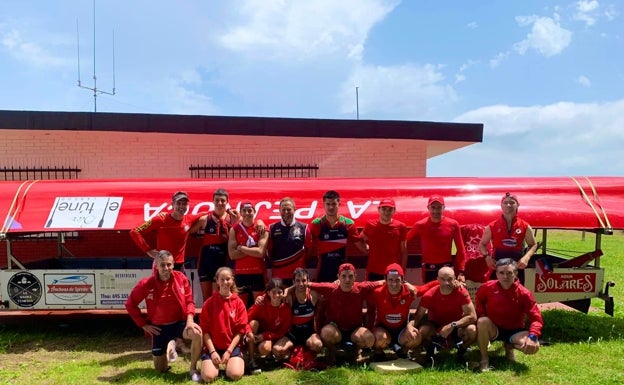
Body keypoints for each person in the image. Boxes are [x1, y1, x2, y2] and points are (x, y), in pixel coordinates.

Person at [124, 250, 203, 382]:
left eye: (169, 265)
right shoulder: (146, 284)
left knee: (197, 334)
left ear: (173, 265)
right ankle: (170, 346)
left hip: (178, 324)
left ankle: (193, 368)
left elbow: (189, 301)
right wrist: (143, 324)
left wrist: (190, 320)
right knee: (160, 370)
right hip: (159, 328)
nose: (166, 268)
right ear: (156, 266)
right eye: (162, 265)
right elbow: (130, 304)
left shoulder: (181, 278)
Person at [475, 258, 543, 372]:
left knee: (534, 347)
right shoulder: (487, 287)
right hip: (494, 328)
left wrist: (532, 337)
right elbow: (478, 299)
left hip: (515, 331)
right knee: (482, 322)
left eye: (509, 273)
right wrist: (482, 313)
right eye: (501, 273)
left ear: (516, 274)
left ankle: (509, 346)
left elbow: (537, 319)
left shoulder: (524, 293)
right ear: (496, 274)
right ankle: (484, 359)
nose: (505, 276)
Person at [308, 263, 380, 365]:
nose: (347, 279)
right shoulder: (331, 288)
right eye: (344, 276)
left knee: (369, 339)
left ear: (355, 277)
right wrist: (289, 290)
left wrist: (406, 284)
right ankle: (332, 353)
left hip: (355, 330)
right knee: (326, 333)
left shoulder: (361, 288)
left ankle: (355, 352)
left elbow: (380, 282)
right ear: (338, 277)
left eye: (350, 276)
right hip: (335, 329)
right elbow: (308, 284)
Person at [367, 263, 437, 360]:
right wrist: (338, 284)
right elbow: (359, 289)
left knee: (415, 337)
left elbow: (427, 287)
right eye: (390, 280)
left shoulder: (410, 292)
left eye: (397, 280)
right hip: (383, 329)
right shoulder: (377, 292)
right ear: (385, 279)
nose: (394, 284)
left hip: (402, 330)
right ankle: (379, 353)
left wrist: (448, 280)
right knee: (379, 337)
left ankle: (403, 352)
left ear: (403, 280)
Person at [412, 266, 477, 360]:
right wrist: (410, 328)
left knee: (472, 330)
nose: (446, 283)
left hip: (456, 326)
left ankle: (462, 350)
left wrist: (453, 325)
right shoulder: (429, 294)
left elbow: (473, 316)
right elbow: (418, 316)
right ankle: (431, 349)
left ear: (455, 279)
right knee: (423, 330)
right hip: (436, 327)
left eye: (450, 279)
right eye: (443, 279)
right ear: (437, 279)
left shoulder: (461, 291)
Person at [190, 188, 241, 301]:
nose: (219, 203)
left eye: (222, 200)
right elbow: (189, 231)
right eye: (217, 200)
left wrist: (259, 222)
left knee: (218, 298)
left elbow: (249, 223)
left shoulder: (232, 218)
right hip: (205, 263)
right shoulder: (205, 219)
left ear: (227, 202)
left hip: (222, 264)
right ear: (213, 201)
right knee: (206, 300)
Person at [130, 191, 200, 271]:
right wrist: (148, 250)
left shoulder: (189, 219)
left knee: (185, 284)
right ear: (172, 205)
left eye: (184, 204)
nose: (181, 206)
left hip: (179, 266)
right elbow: (134, 231)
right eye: (178, 203)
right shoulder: (160, 219)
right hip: (162, 264)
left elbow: (208, 214)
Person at [199, 267, 248, 382]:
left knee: (235, 375)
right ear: (217, 280)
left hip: (231, 347)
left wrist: (229, 351)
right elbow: (205, 331)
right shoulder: (209, 303)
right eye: (222, 279)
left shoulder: (239, 303)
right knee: (208, 377)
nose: (225, 282)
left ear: (232, 280)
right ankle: (212, 366)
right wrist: (212, 352)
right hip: (213, 347)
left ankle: (234, 363)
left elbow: (240, 331)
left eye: (228, 279)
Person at [479, 192, 538, 284]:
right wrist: (487, 257)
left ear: (517, 205)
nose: (508, 205)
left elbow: (533, 244)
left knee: (516, 295)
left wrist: (526, 257)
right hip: (498, 267)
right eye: (505, 202)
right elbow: (482, 244)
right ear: (501, 206)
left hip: (517, 267)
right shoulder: (492, 226)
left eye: (512, 202)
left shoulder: (525, 226)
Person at [406, 194, 466, 283]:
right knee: (429, 295)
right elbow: (404, 241)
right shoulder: (420, 225)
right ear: (428, 208)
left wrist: (461, 271)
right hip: (428, 269)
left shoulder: (453, 224)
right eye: (433, 207)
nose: (436, 211)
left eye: (439, 207)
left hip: (446, 268)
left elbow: (460, 249)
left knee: (447, 295)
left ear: (444, 208)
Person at [310, 190, 365, 283]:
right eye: (328, 204)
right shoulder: (316, 224)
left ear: (339, 204)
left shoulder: (348, 224)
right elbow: (308, 247)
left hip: (342, 275)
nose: (331, 207)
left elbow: (363, 248)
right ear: (323, 204)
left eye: (334, 204)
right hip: (322, 273)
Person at [246, 278, 292, 373]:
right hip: (257, 334)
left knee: (264, 348)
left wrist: (264, 336)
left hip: (272, 336)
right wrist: (249, 334)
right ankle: (251, 360)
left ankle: (271, 356)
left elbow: (282, 332)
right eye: (273, 292)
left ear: (283, 293)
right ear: (268, 292)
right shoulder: (261, 302)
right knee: (253, 324)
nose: (276, 295)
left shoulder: (286, 308)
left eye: (279, 292)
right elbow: (246, 318)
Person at [228, 200, 269, 307]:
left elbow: (260, 252)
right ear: (240, 213)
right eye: (244, 211)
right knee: (240, 307)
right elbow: (232, 254)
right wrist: (253, 249)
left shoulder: (261, 228)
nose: (247, 213)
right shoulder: (234, 230)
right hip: (241, 274)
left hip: (258, 273)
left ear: (254, 211)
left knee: (259, 306)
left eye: (250, 211)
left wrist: (241, 248)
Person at [360, 199, 408, 280]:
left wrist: (402, 270)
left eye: (390, 209)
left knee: (392, 292)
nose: (386, 212)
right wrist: (365, 249)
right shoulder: (370, 225)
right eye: (384, 209)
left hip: (393, 270)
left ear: (394, 210)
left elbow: (404, 251)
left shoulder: (401, 226)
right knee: (372, 292)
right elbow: (360, 239)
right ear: (378, 209)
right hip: (373, 269)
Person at [267, 197, 311, 286]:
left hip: (298, 276)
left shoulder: (304, 228)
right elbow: (268, 252)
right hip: (278, 275)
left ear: (295, 210)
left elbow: (309, 252)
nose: (286, 212)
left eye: (289, 209)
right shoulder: (272, 228)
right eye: (283, 210)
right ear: (279, 210)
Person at [283, 268, 323, 353]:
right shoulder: (289, 296)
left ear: (308, 280)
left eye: (304, 280)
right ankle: (293, 351)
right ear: (293, 282)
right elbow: (274, 296)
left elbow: (327, 294)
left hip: (309, 334)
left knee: (318, 345)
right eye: (297, 281)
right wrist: (260, 299)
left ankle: (307, 351)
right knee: (277, 351)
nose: (301, 284)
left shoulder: (313, 294)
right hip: (293, 335)